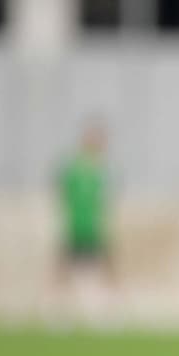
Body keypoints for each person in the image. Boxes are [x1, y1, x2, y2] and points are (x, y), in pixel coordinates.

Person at [56, 118, 116, 325]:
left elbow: (102, 202)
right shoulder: (75, 169)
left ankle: (103, 313)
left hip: (93, 228)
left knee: (101, 270)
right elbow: (64, 195)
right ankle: (60, 314)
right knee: (65, 271)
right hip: (76, 227)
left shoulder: (100, 171)